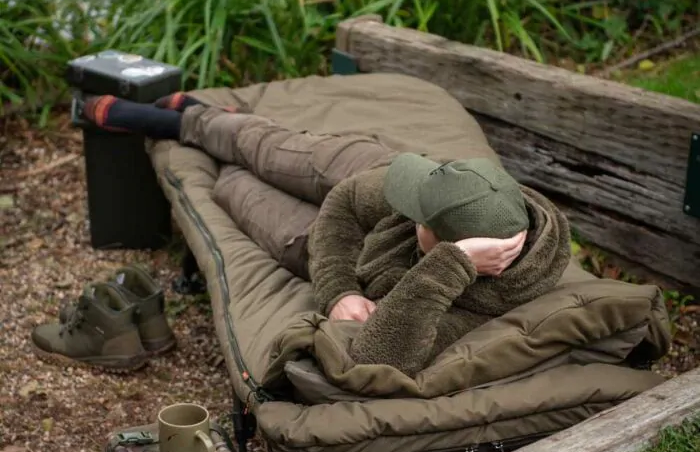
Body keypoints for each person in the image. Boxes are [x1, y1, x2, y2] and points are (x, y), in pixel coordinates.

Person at [74, 91, 571, 377]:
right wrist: (340, 291)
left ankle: (208, 135)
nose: (411, 215)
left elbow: (380, 356)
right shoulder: (483, 198)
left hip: (322, 241)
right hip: (364, 172)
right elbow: (347, 201)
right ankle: (192, 118)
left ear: (453, 249)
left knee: (233, 187)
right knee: (268, 149)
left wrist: (445, 268)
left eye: (419, 219)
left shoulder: (480, 297)